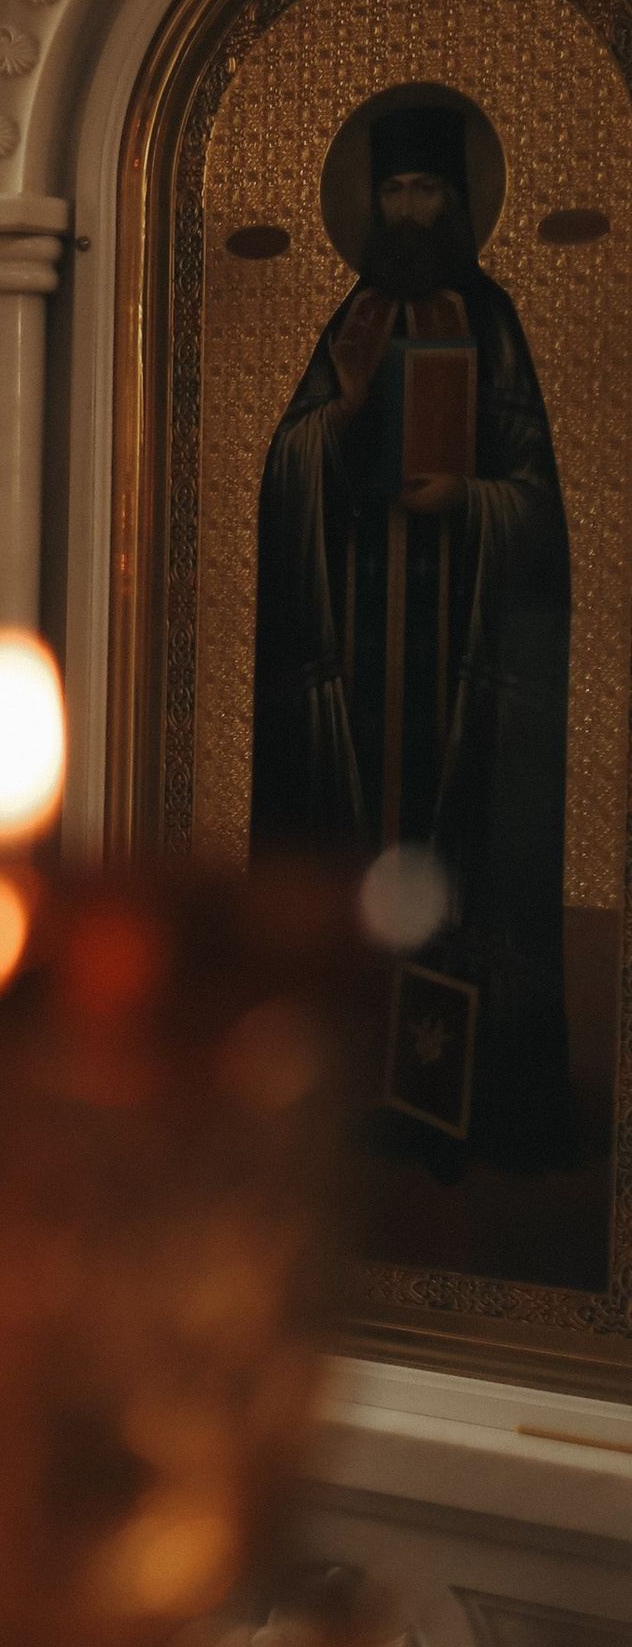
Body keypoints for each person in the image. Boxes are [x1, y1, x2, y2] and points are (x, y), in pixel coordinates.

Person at [252, 91, 571, 1169]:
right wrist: (332, 427)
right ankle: (340, 1098)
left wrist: (466, 500)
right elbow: (286, 468)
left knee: (450, 859)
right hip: (357, 653)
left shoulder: (491, 325)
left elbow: (535, 500)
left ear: (459, 198)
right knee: (354, 852)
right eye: (391, 186)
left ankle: (455, 1101)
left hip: (461, 667)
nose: (407, 205)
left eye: (426, 185)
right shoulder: (352, 318)